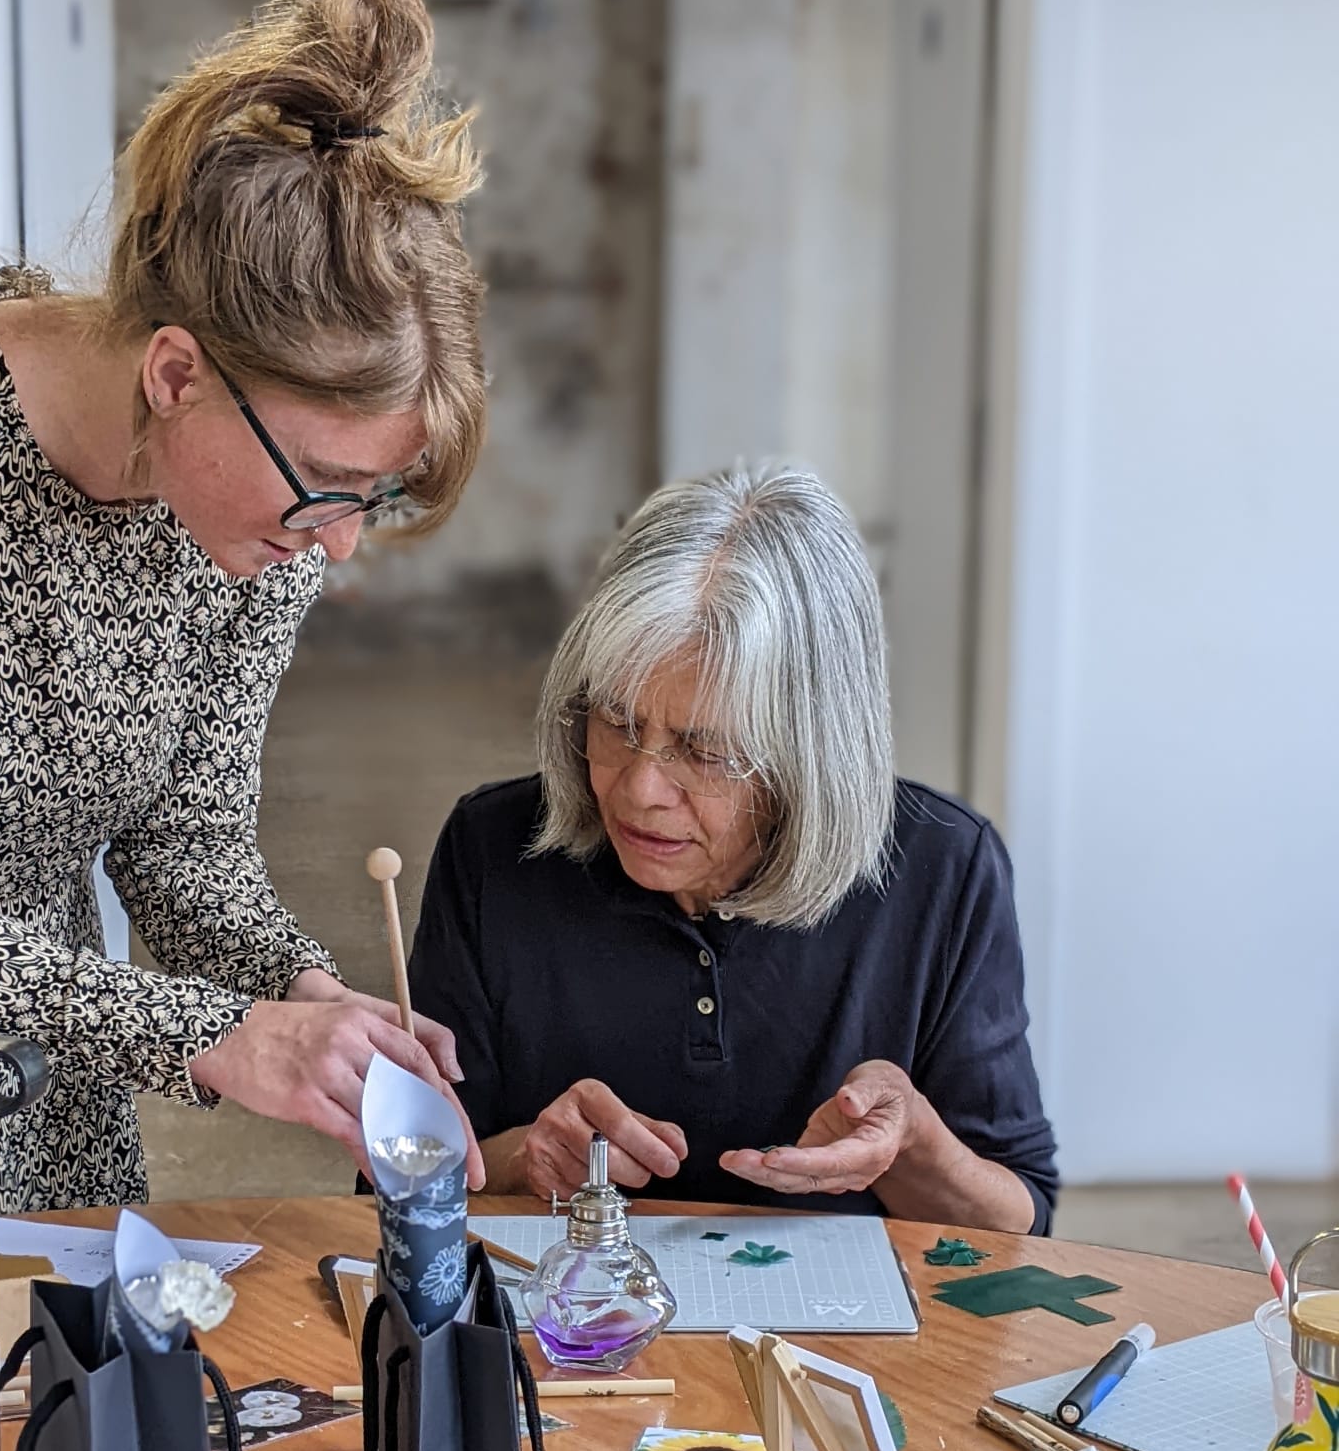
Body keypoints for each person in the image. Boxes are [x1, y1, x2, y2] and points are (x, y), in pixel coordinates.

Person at [0, 0, 486, 1211]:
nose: (340, 546)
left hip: (46, 1095)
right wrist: (206, 1035)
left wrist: (306, 1005)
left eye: (374, 499)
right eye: (330, 487)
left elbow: (183, 848)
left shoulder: (249, 522)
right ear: (177, 374)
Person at [409, 466, 1059, 1233]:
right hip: (571, 1331)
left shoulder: (943, 869)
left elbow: (1019, 1225)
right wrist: (526, 1162)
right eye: (614, 721)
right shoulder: (494, 851)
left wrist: (911, 1141)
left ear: (812, 753)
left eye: (704, 751)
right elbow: (395, 1183)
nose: (638, 789)